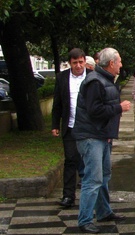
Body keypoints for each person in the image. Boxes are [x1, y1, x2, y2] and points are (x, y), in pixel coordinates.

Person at [72, 48, 132, 233]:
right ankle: (85, 220)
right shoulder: (95, 81)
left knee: (104, 176)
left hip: (101, 135)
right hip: (91, 137)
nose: (121, 65)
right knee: (93, 178)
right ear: (111, 63)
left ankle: (104, 211)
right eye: (119, 61)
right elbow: (94, 110)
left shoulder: (103, 79)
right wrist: (118, 108)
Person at [51, 48, 91, 208]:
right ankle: (68, 195)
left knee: (89, 162)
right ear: (70, 63)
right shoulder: (62, 78)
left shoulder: (93, 76)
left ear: (84, 61)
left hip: (88, 127)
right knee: (70, 160)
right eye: (75, 63)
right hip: (70, 126)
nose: (78, 66)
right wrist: (55, 124)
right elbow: (57, 103)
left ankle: (90, 196)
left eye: (81, 62)